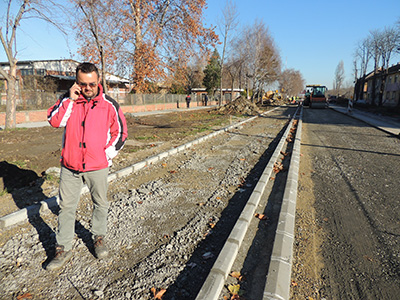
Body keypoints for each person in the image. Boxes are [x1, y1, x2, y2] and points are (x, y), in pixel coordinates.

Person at [46, 62, 128, 271]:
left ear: (98, 81)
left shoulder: (109, 105)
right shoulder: (69, 100)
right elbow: (54, 121)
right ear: (77, 82)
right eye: (83, 84)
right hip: (70, 166)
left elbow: (120, 132)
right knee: (66, 207)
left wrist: (106, 154)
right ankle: (63, 248)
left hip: (97, 165)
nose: (88, 88)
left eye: (91, 83)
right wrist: (69, 100)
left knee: (100, 202)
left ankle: (98, 237)